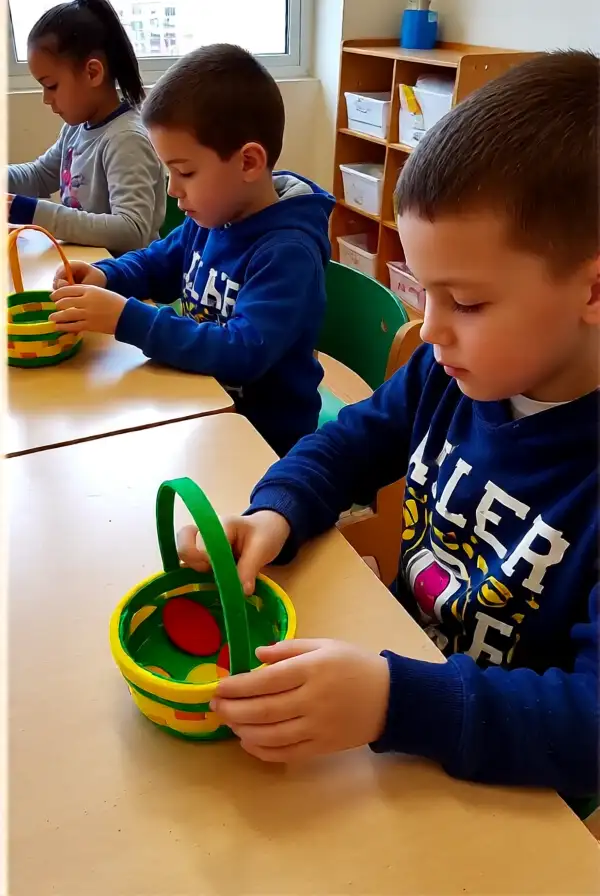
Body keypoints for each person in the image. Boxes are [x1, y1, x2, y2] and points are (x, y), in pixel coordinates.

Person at [177, 51, 599, 799]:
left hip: (507, 785)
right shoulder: (451, 370)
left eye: (465, 302)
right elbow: (352, 439)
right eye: (421, 290)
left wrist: (392, 700)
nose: (429, 330)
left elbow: (587, 723)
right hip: (403, 693)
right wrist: (279, 509)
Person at [50, 44, 335, 456]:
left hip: (264, 441)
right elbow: (159, 262)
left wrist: (127, 319)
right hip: (202, 404)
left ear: (249, 162)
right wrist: (109, 276)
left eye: (185, 171)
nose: (172, 189)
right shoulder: (213, 216)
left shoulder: (287, 252)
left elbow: (242, 351)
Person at [8, 0, 165, 253]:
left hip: (125, 280)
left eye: (51, 86)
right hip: (88, 267)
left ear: (92, 73)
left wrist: (33, 212)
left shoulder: (126, 139)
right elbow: (39, 175)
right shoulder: (76, 129)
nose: (46, 99)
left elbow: (132, 231)